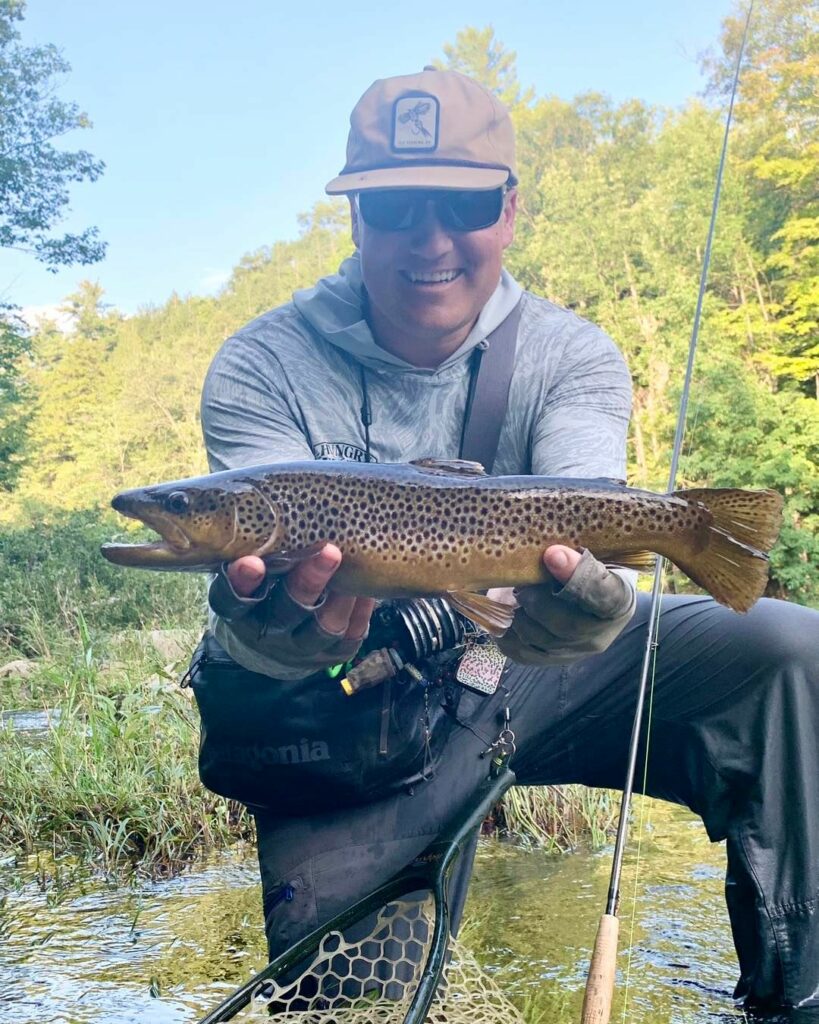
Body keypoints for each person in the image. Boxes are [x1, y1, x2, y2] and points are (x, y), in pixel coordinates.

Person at [198, 68, 819, 1017]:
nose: (432, 238)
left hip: (532, 657)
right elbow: (258, 613)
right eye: (400, 206)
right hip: (353, 702)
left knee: (789, 651)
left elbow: (581, 510)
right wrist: (281, 636)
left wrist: (582, 612)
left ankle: (799, 990)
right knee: (351, 1004)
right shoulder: (262, 364)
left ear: (511, 209)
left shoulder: (572, 355)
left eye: (465, 202)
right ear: (355, 217)